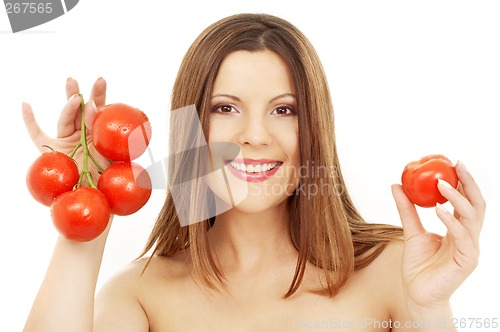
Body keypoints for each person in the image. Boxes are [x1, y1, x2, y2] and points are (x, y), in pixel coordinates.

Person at [22, 13, 485, 331]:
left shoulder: (393, 268)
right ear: (190, 128)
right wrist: (86, 202)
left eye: (285, 110)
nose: (255, 135)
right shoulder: (142, 295)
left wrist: (430, 312)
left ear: (315, 131)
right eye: (226, 108)